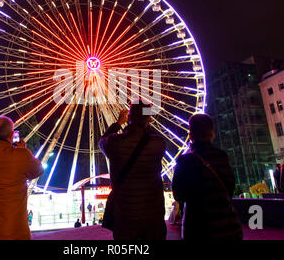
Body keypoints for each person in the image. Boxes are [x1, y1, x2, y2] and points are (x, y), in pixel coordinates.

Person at [99, 99, 166, 240]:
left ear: (129, 117)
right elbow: (150, 133)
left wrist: (118, 123)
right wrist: (146, 121)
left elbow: (102, 140)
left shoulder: (115, 143)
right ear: (149, 119)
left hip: (125, 215)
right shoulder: (158, 144)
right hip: (152, 214)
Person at [172, 114, 243, 240]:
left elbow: (178, 194)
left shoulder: (185, 160)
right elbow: (230, 187)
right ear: (211, 132)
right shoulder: (222, 156)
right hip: (227, 226)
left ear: (191, 133)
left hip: (198, 228)